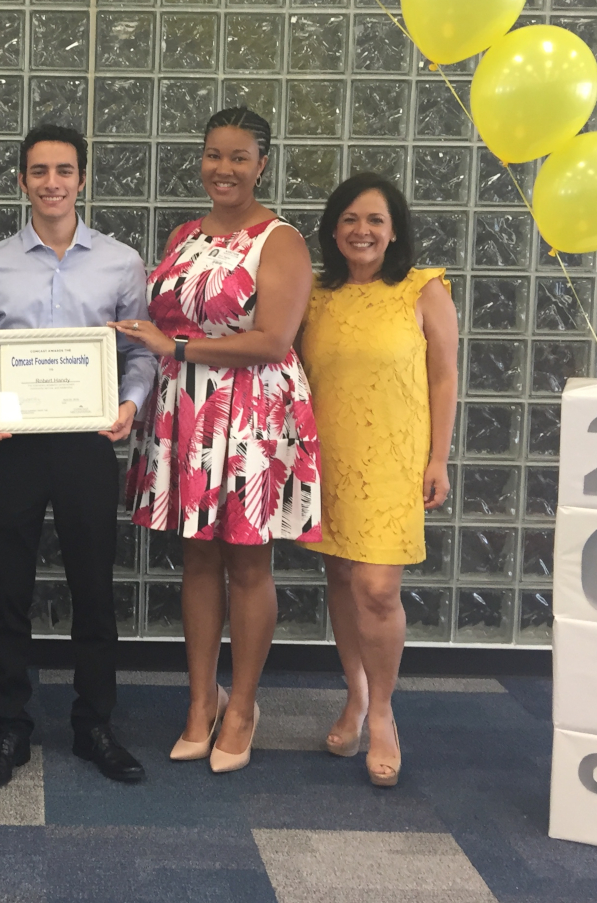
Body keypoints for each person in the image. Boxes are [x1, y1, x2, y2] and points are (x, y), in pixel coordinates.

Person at [112, 107, 320, 774]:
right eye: (213, 155)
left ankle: (244, 705)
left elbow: (272, 340)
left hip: (250, 413)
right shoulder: (183, 233)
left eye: (238, 157)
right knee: (196, 558)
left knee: (248, 562)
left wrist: (174, 345)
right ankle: (201, 700)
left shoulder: (279, 240)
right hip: (187, 411)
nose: (223, 168)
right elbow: (151, 323)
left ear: (263, 163)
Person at [0, 125, 154, 790]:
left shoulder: (122, 263)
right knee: (7, 592)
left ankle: (94, 723)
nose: (51, 182)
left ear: (82, 178)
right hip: (12, 445)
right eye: (38, 171)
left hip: (89, 446)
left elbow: (140, 352)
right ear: (21, 181)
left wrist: (130, 403)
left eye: (64, 170)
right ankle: (9, 724)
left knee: (94, 592)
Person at [299, 173, 458, 788]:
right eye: (349, 220)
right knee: (340, 575)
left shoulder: (423, 288)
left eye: (375, 221)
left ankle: (385, 715)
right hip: (327, 458)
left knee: (376, 589)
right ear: (333, 230)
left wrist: (438, 459)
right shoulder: (315, 294)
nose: (361, 231)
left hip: (394, 461)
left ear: (394, 232)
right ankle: (356, 695)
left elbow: (444, 377)